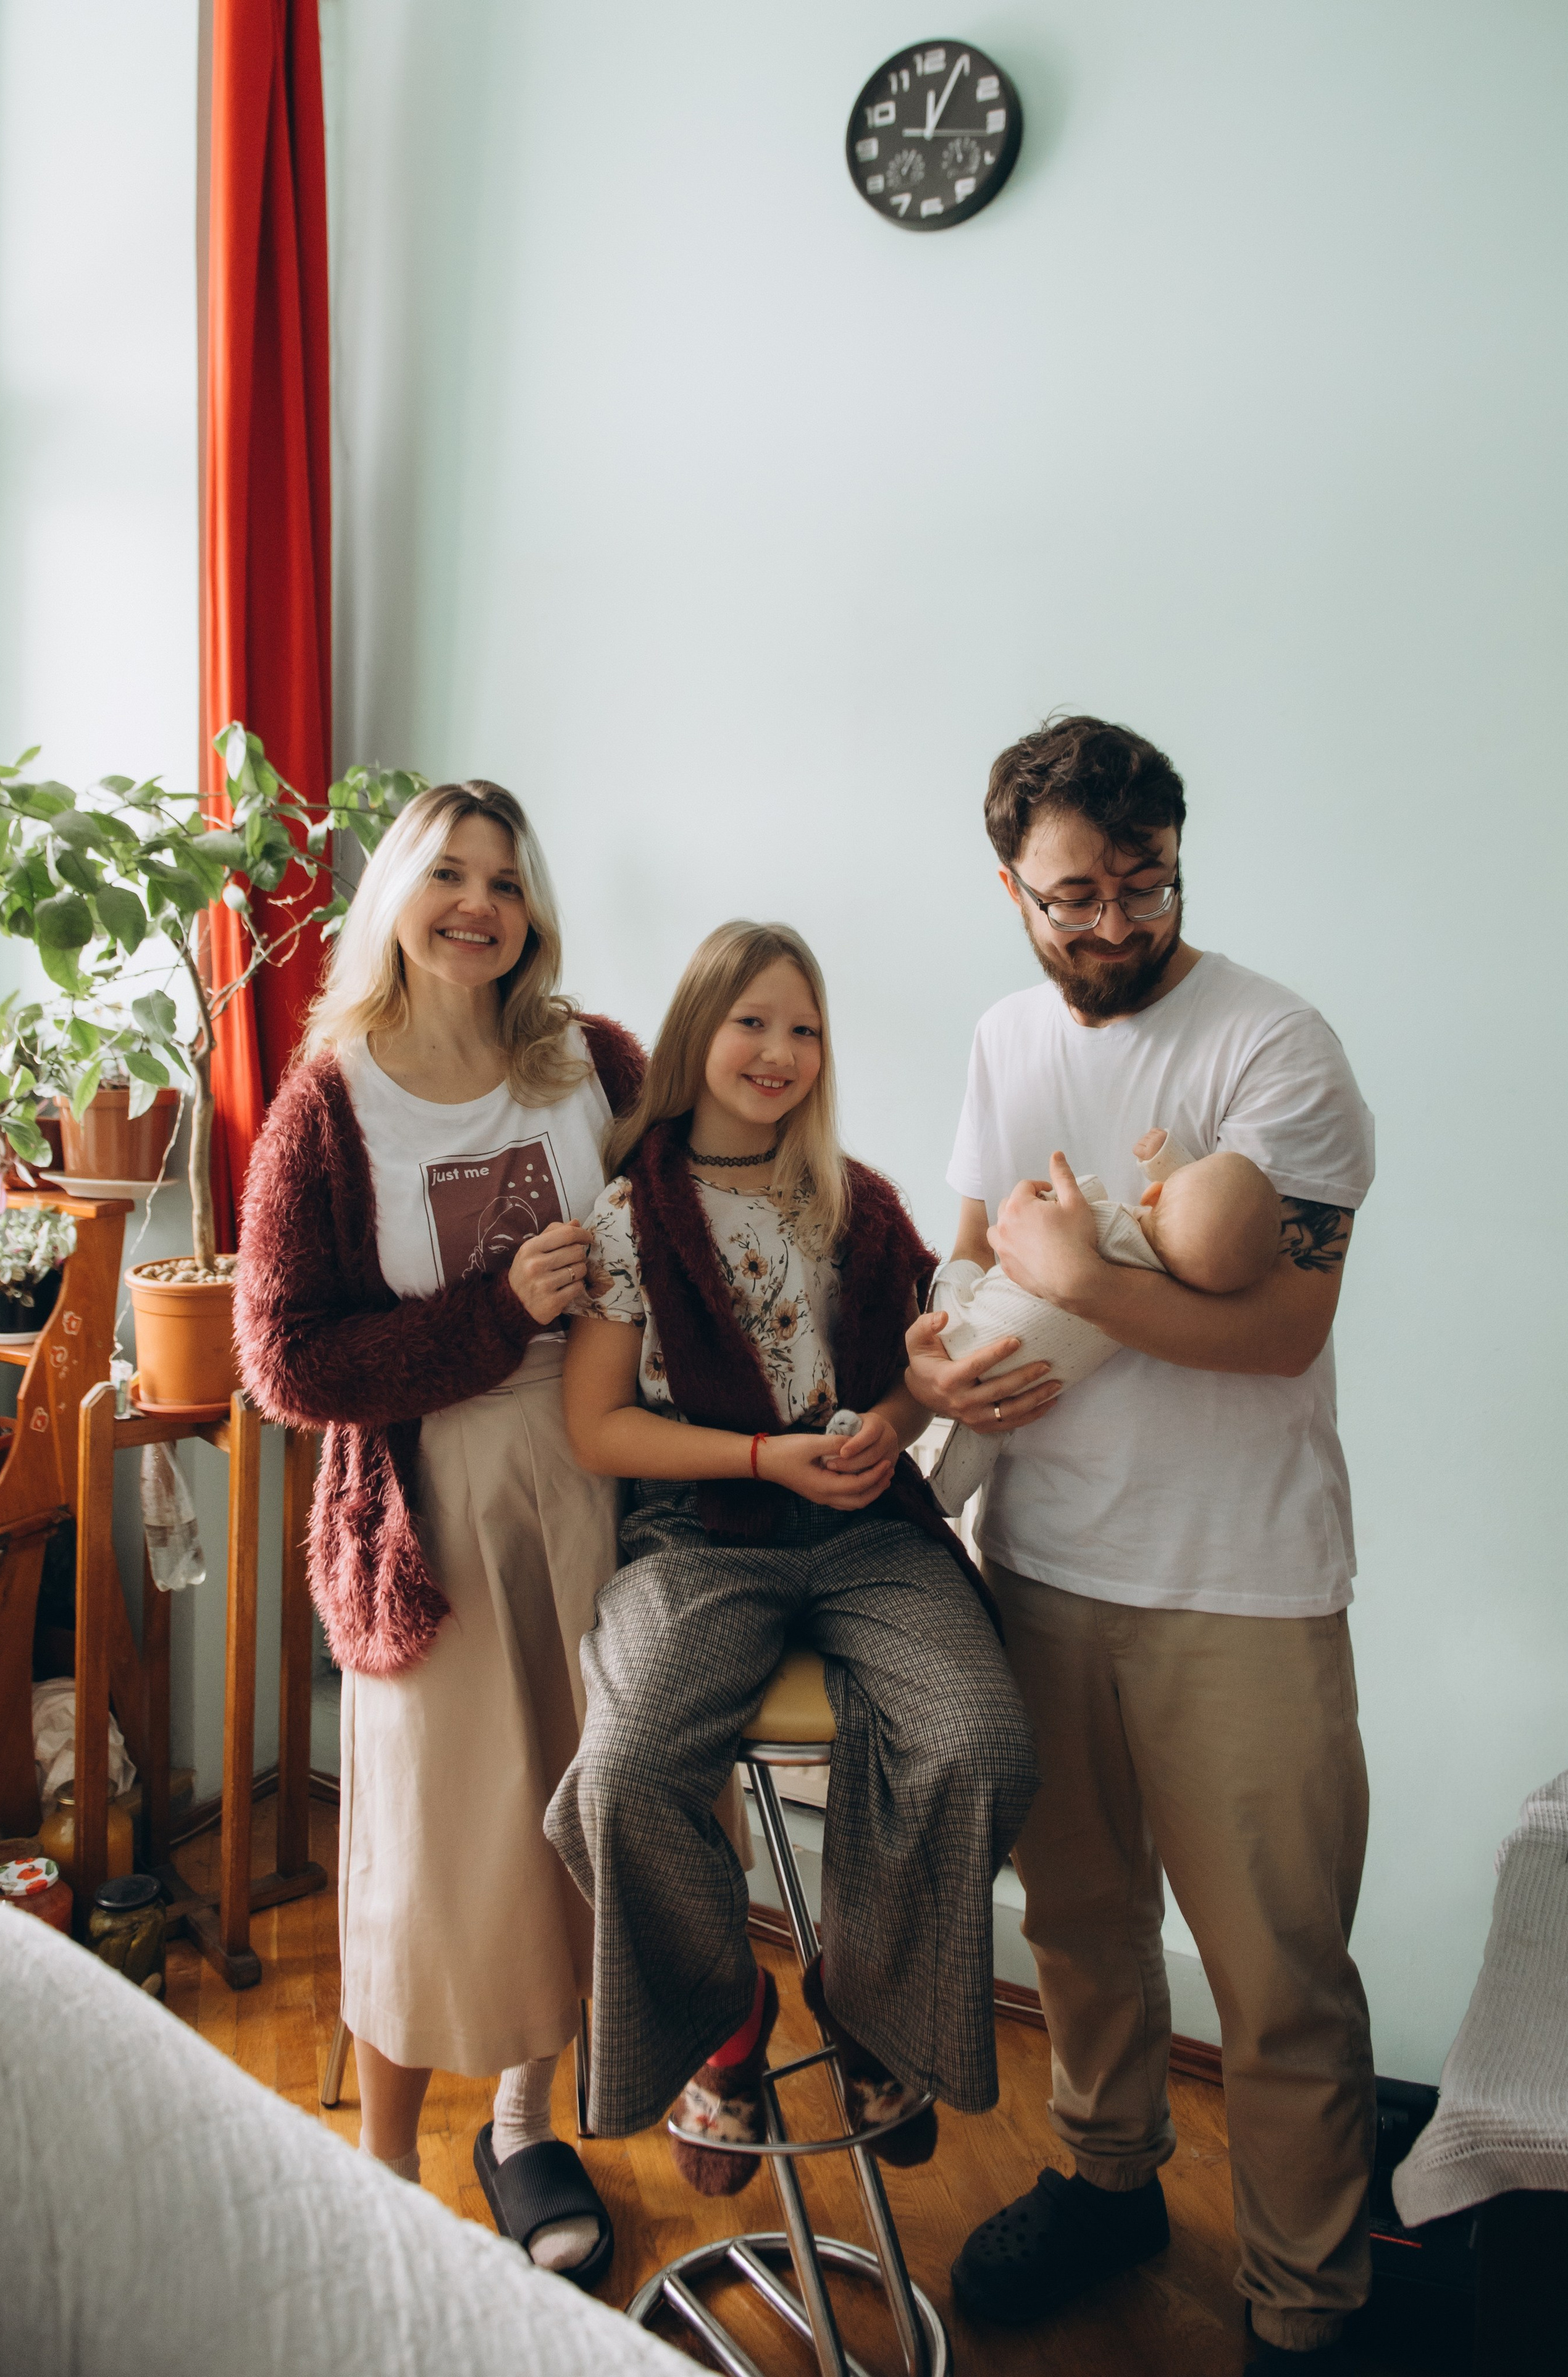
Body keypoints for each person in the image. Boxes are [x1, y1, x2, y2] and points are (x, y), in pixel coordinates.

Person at [907, 717, 1376, 2371]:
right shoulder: (1002, 1038)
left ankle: (1307, 2300)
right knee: (1080, 1925)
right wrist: (931, 1355)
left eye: (1144, 882)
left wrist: (1086, 1279)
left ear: (1176, 857)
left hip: (1238, 1582)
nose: (1112, 922)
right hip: (1036, 1560)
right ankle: (1107, 2181)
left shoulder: (1274, 1045)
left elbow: (1282, 1330)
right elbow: (971, 1254)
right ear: (1011, 889)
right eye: (1073, 896)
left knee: (1278, 1971)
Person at [543, 920, 1039, 2192]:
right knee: (624, 1772)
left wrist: (886, 1425)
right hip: (701, 1532)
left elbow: (911, 1380)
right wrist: (767, 1459)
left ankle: (866, 2001)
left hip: (864, 1524)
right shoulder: (629, 1214)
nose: (778, 1050)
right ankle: (726, 2020)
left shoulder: (854, 1203)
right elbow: (597, 1428)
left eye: (804, 1028)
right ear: (696, 1033)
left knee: (981, 1740)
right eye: (751, 1021)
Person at [234, 780, 643, 2287]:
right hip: (432, 1508)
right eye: (447, 873)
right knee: (429, 1838)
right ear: (394, 896)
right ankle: (388, 2159)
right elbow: (282, 1361)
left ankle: (526, 2126)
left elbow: (703, 1216)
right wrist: (491, 1312)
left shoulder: (594, 1062)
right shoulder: (329, 1101)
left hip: (599, 1482)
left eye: (506, 880)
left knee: (573, 1820)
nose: (479, 903)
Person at [928, 1127, 1280, 1512]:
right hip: (1025, 1388)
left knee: (959, 1275)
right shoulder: (1155, 1310)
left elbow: (1074, 1195)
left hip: (958, 1333)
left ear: (1154, 1194)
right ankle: (945, 1495)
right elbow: (1211, 1218)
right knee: (995, 1429)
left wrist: (1162, 1161)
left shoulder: (1108, 1223)